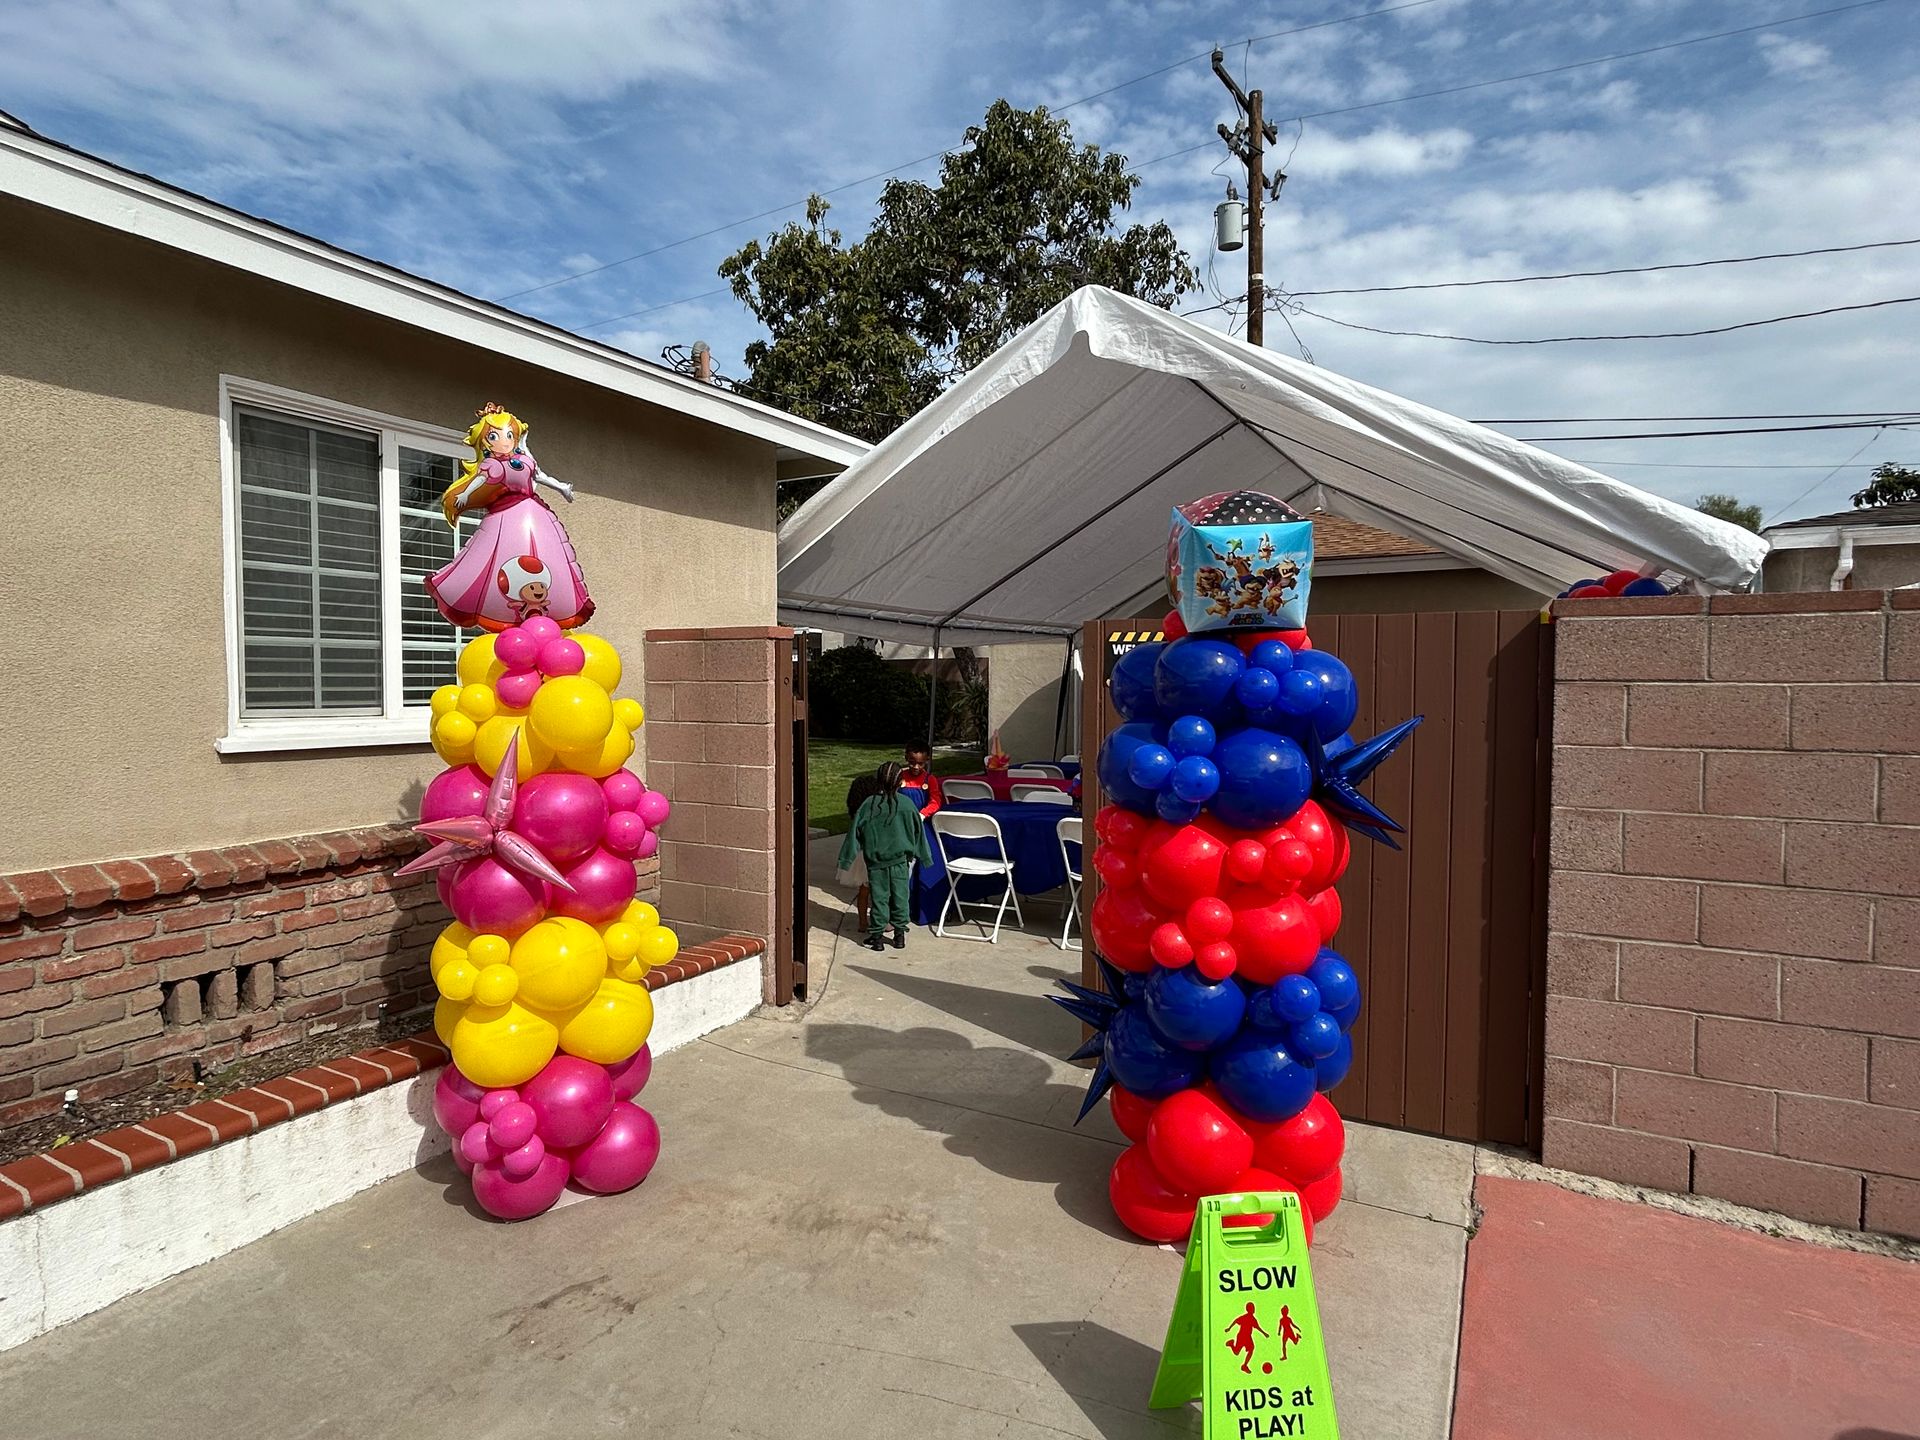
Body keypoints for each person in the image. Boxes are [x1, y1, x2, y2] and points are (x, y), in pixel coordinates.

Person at [425, 403, 594, 632]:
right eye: (494, 436)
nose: (502, 440)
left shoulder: (524, 460)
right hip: (505, 517)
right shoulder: (492, 465)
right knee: (491, 558)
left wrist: (561, 487)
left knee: (550, 559)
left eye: (508, 434)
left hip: (535, 513)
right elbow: (481, 481)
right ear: (485, 442)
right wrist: (465, 494)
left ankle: (551, 604)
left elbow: (540, 476)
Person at [838, 760, 932, 952]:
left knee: (879, 898)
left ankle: (878, 938)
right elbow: (918, 833)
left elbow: (854, 832)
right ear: (900, 783)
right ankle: (899, 936)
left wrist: (846, 859)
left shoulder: (868, 805)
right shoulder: (907, 805)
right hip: (900, 862)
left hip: (876, 863)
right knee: (900, 896)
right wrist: (925, 856)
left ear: (878, 781)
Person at [838, 771, 885, 931]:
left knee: (863, 892)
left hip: (860, 856)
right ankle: (881, 921)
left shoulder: (856, 813)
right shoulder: (874, 812)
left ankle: (862, 923)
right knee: (880, 892)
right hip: (874, 857)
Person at [902, 742, 944, 817]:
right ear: (906, 758)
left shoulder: (930, 779)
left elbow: (935, 801)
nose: (916, 767)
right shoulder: (900, 777)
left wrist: (923, 814)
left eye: (920, 764)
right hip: (903, 817)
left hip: (922, 818)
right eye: (912, 763)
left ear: (927, 760)